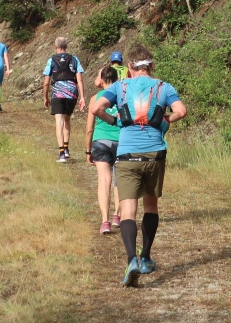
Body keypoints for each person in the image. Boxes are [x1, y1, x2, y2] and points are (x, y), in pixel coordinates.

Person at [90, 44, 187, 288]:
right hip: (154, 154)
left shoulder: (120, 86)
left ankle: (131, 259)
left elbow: (95, 108)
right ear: (152, 66)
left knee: (128, 210)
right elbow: (181, 111)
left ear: (129, 67)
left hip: (127, 155)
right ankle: (145, 258)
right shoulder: (164, 87)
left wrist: (114, 121)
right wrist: (165, 120)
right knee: (151, 206)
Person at [85, 66, 121, 235]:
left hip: (101, 141)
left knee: (104, 180)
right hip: (121, 142)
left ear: (102, 80)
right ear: (116, 79)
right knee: (119, 180)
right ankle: (117, 216)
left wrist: (88, 151)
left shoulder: (95, 98)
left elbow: (89, 129)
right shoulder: (123, 96)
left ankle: (105, 221)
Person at [42, 37, 86, 163]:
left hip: (58, 93)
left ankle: (61, 153)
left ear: (55, 46)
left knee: (59, 121)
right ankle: (66, 149)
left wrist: (45, 97)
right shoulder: (74, 59)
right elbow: (80, 79)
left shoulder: (51, 60)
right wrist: (82, 97)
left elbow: (46, 82)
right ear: (66, 46)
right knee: (67, 119)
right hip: (72, 93)